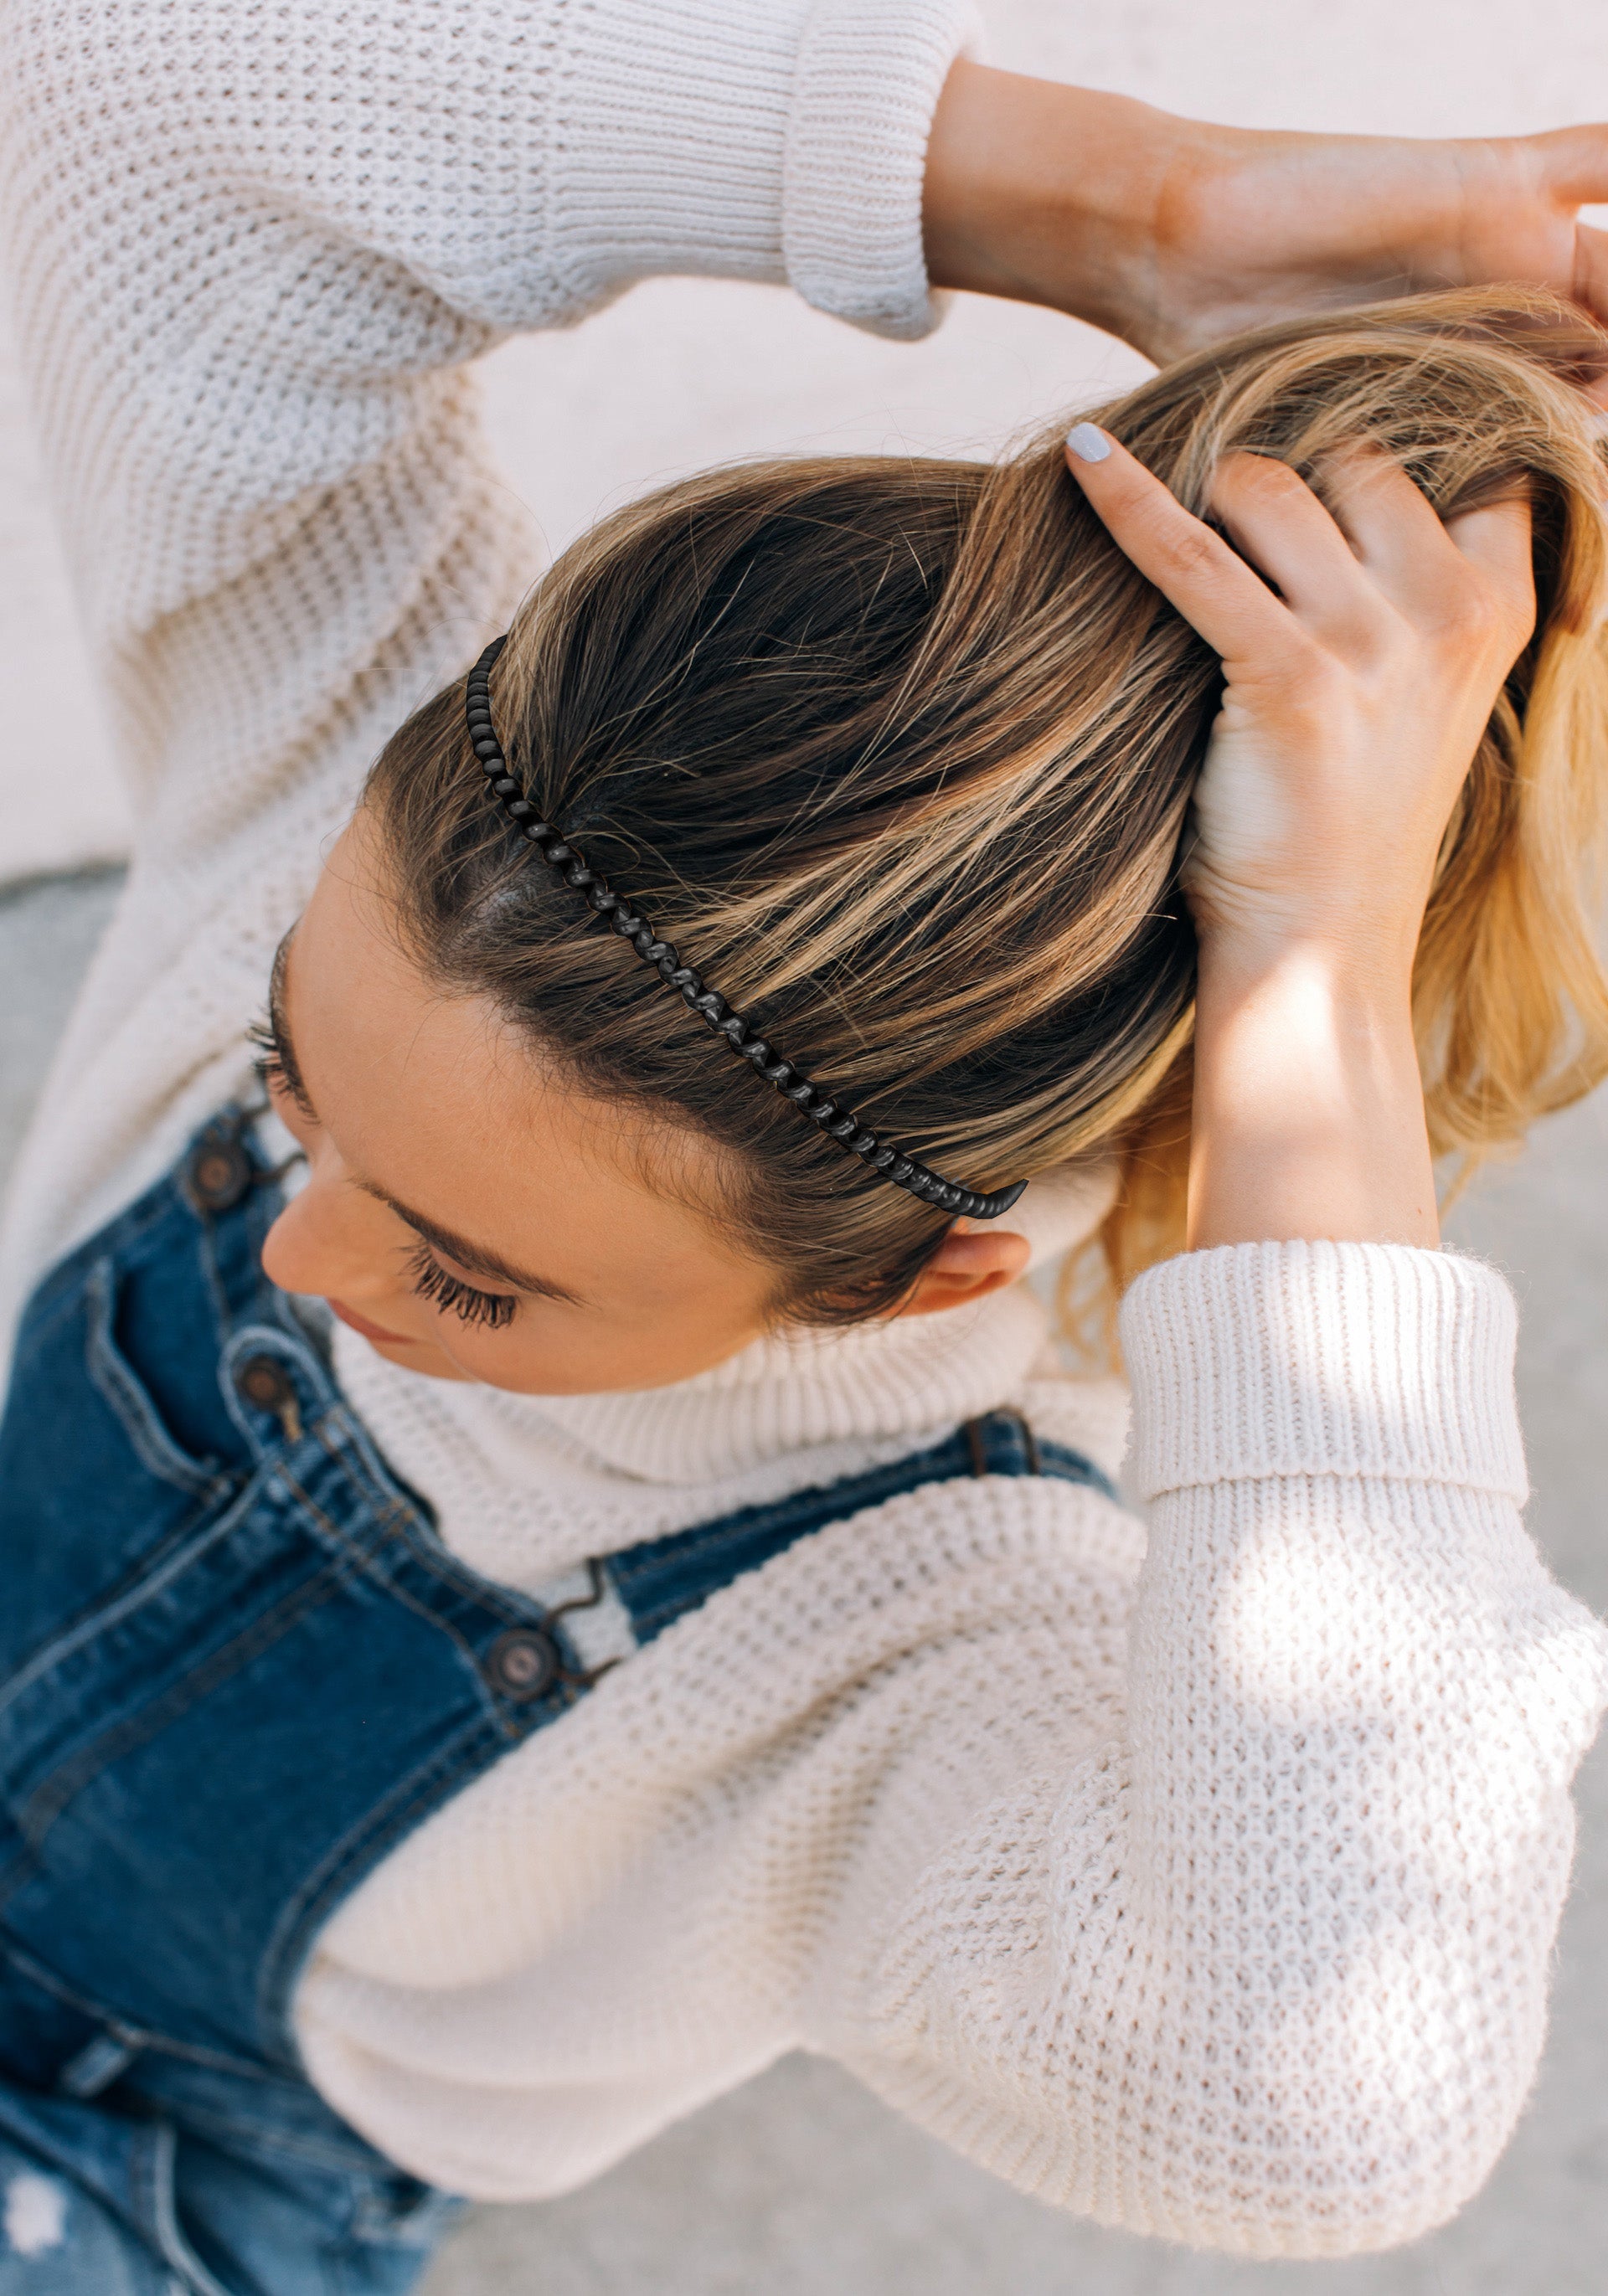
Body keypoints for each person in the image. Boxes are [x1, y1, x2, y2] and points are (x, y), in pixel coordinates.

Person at [2, 4, 1607, 2290]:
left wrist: (1314, 986)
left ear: (919, 1277)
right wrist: (1131, 208)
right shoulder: (333, 752)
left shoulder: (918, 1641)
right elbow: (145, 90)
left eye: (472, 1277)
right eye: (289, 1078)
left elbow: (1330, 2098)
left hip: (161, 2186)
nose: (305, 1258)